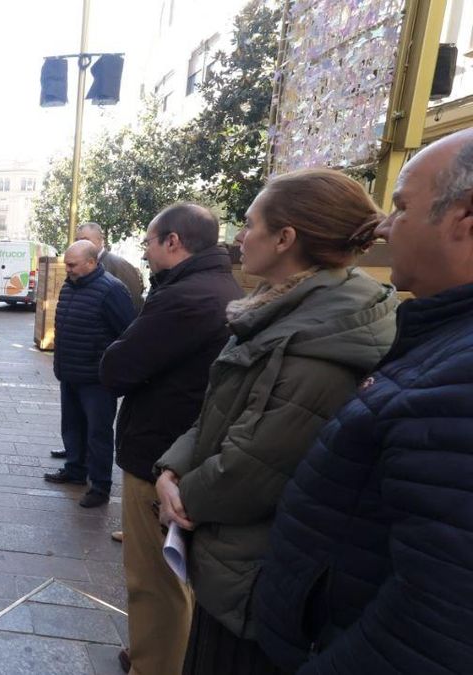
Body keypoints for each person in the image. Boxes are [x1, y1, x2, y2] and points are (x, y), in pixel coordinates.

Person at [152, 169, 399, 674]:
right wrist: (171, 467)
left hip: (255, 576)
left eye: (249, 224)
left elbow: (254, 466)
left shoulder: (319, 338)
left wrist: (182, 498)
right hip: (233, 566)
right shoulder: (279, 310)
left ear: (285, 238)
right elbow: (218, 410)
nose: (240, 238)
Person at [255, 133, 473, 674]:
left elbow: (434, 625)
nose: (382, 226)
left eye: (400, 207)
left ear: (464, 218)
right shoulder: (438, 344)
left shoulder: (457, 383)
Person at [99, 204, 243, 675]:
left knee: (154, 577)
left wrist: (117, 352)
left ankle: (155, 663)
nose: (144, 249)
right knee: (169, 575)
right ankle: (150, 650)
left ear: (173, 242)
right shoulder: (217, 287)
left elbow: (118, 367)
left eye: (149, 241)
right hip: (181, 446)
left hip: (160, 453)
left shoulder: (185, 297)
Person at [44, 240, 136, 508]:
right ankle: (75, 471)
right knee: (72, 427)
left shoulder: (112, 291)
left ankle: (100, 486)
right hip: (70, 373)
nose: (68, 269)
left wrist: (108, 366)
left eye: (72, 265)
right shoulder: (69, 286)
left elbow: (127, 334)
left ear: (92, 262)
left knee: (98, 434)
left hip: (97, 380)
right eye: (66, 264)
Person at [77, 222, 146, 313]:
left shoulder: (119, 265)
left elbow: (133, 303)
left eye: (85, 240)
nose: (80, 244)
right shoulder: (78, 266)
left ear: (100, 240)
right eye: (77, 241)